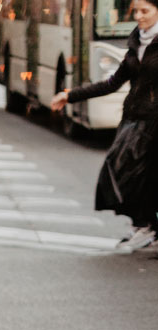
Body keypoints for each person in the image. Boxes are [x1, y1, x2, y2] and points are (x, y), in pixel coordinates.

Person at [52, 0, 158, 250]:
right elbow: (112, 83)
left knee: (147, 177)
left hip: (155, 123)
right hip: (135, 119)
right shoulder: (136, 43)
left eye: (146, 11)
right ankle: (144, 226)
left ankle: (146, 227)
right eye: (136, 11)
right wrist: (69, 95)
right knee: (121, 172)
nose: (139, 17)